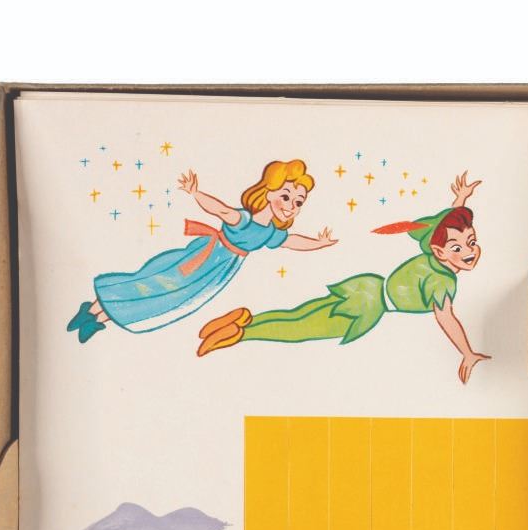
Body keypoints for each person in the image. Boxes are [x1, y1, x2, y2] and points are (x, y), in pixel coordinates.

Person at [195, 172, 491, 384]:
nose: (469, 251)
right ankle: (240, 333)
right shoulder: (442, 281)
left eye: (472, 242)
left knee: (301, 314)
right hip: (367, 306)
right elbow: (446, 317)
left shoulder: (432, 253)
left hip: (367, 286)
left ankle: (244, 321)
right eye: (458, 248)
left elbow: (443, 226)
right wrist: (466, 353)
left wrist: (461, 199)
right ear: (439, 251)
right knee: (302, 327)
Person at [66, 160, 337, 342]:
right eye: (286, 197)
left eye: (298, 202)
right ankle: (92, 309)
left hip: (218, 271)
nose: (290, 206)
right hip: (204, 257)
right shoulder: (244, 219)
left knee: (171, 298)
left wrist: (319, 243)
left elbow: (292, 241)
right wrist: (196, 193)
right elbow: (220, 210)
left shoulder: (269, 232)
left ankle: (98, 318)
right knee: (155, 282)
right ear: (268, 193)